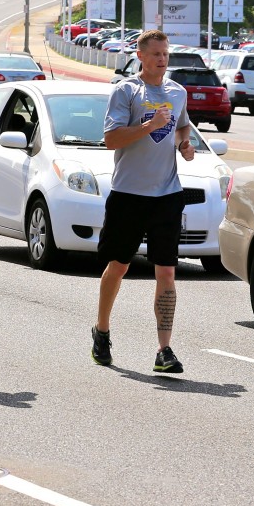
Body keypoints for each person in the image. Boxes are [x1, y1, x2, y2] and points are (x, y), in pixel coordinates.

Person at [92, 29, 193, 373]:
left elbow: (181, 127)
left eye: (166, 54)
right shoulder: (126, 91)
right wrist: (149, 125)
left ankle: (164, 350)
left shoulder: (177, 92)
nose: (162, 60)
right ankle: (101, 329)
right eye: (156, 54)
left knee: (166, 270)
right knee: (119, 266)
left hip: (167, 194)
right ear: (140, 55)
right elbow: (110, 139)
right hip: (129, 195)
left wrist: (184, 144)